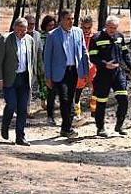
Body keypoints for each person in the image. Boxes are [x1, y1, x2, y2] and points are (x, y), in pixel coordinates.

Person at [43, 9, 89, 138]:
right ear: (61, 20)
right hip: (59, 72)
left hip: (73, 71)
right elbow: (47, 57)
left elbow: (84, 52)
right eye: (68, 19)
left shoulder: (78, 32)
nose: (71, 21)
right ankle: (68, 128)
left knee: (70, 99)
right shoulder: (52, 35)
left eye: (72, 19)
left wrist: (85, 71)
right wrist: (48, 76)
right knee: (64, 99)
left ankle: (65, 128)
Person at [88, 15, 131, 137]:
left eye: (115, 28)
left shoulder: (119, 37)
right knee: (101, 102)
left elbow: (125, 53)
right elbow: (93, 57)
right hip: (103, 75)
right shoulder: (96, 38)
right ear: (105, 26)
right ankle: (100, 128)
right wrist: (104, 64)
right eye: (110, 27)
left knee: (123, 100)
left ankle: (119, 125)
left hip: (118, 73)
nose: (112, 30)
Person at [0, 17, 35, 146]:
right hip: (10, 78)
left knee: (23, 108)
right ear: (14, 28)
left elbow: (32, 60)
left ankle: (20, 137)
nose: (21, 33)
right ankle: (5, 125)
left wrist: (33, 77)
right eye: (19, 30)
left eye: (24, 30)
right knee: (12, 104)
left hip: (24, 78)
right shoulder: (5, 39)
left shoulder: (30, 40)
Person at [73, 15, 97, 117]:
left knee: (95, 89)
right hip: (80, 66)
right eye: (84, 28)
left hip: (93, 66)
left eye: (89, 28)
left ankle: (94, 111)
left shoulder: (95, 37)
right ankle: (76, 113)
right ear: (81, 26)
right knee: (78, 89)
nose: (86, 30)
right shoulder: (76, 36)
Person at [38, 15, 57, 125]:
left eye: (53, 25)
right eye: (49, 25)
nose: (51, 27)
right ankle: (43, 102)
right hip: (42, 63)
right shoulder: (41, 36)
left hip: (55, 67)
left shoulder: (56, 36)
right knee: (43, 84)